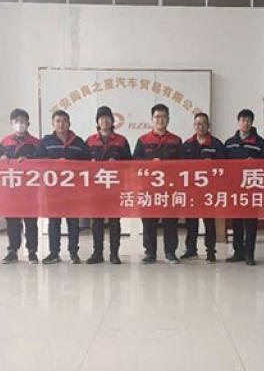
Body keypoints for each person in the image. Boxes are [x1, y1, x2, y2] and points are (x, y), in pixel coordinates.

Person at [36, 109, 90, 264]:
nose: (61, 124)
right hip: (53, 189)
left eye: (64, 121)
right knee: (54, 222)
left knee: (73, 222)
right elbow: (37, 161)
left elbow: (87, 163)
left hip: (73, 190)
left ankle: (73, 252)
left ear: (69, 123)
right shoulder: (46, 142)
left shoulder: (79, 142)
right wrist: (54, 163)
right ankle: (54, 253)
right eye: (58, 121)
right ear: (53, 124)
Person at [133, 103, 183, 264]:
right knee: (149, 221)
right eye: (157, 117)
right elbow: (135, 161)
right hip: (148, 188)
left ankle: (170, 252)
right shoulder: (143, 140)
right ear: (152, 119)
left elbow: (183, 163)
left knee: (170, 221)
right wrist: (149, 163)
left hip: (170, 188)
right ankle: (150, 253)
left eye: (163, 117)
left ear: (168, 119)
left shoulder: (176, 140)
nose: (160, 120)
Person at [85, 106, 132, 265]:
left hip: (115, 188)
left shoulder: (121, 141)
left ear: (112, 121)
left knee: (114, 222)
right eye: (101, 118)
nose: (104, 121)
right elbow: (81, 163)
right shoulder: (90, 141)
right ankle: (97, 253)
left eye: (107, 118)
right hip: (95, 188)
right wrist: (90, 163)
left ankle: (114, 254)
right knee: (96, 222)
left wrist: (117, 163)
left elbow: (129, 163)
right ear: (97, 122)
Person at [224, 109, 264, 266]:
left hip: (252, 188)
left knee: (251, 222)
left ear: (252, 123)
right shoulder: (230, 143)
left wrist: (256, 163)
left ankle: (249, 254)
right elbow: (222, 165)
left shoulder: (260, 143)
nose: (245, 123)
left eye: (248, 120)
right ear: (238, 122)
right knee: (236, 221)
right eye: (243, 120)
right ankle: (238, 252)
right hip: (235, 188)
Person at [0, 108, 40, 265]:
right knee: (12, 221)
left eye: (23, 121)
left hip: (29, 188)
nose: (20, 124)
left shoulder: (36, 143)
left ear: (28, 124)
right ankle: (12, 251)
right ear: (11, 123)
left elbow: (41, 161)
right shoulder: (5, 142)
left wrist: (29, 160)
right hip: (11, 188)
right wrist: (1, 158)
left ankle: (32, 251)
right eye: (16, 121)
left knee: (31, 222)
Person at [181, 112, 225, 263]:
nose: (200, 127)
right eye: (197, 124)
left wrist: (212, 165)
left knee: (209, 222)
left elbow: (224, 166)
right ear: (194, 126)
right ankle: (191, 250)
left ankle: (210, 252)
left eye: (203, 123)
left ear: (208, 125)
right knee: (191, 222)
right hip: (191, 190)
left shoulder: (216, 145)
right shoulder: (187, 144)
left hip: (209, 191)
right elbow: (180, 167)